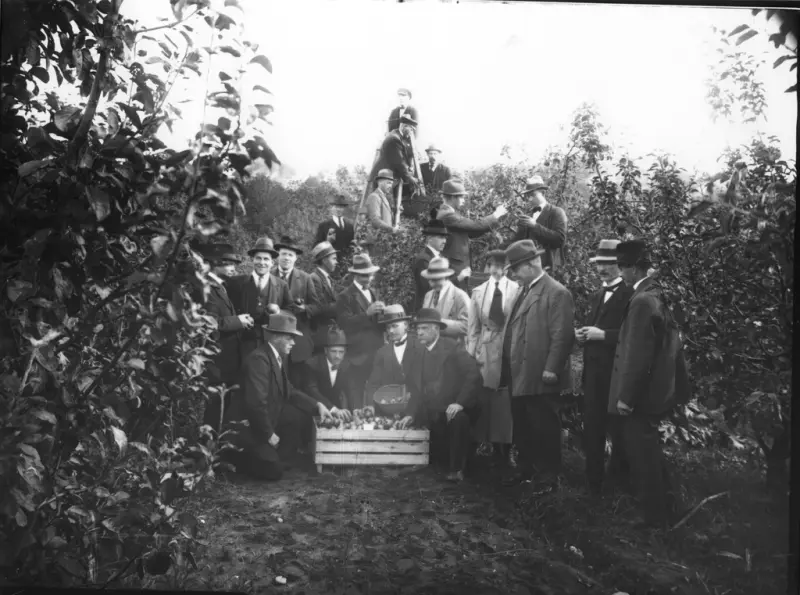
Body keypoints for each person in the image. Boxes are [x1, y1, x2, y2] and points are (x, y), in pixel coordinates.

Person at [609, 239, 691, 528]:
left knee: (643, 457)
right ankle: (669, 510)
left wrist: (625, 397)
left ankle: (654, 520)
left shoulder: (643, 300)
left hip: (643, 395)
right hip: (660, 391)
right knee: (650, 452)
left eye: (622, 267)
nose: (620, 274)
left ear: (633, 268)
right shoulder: (660, 293)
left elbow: (637, 354)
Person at [223, 313, 336, 481]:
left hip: (267, 416)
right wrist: (269, 435)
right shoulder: (258, 360)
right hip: (248, 426)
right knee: (273, 471)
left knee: (299, 416)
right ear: (276, 337)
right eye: (289, 338)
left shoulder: (276, 357)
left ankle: (274, 455)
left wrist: (317, 405)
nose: (293, 343)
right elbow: (256, 404)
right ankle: (234, 456)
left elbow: (289, 390)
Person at [499, 240, 574, 486]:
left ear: (531, 265)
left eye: (516, 268)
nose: (513, 274)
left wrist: (551, 368)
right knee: (523, 424)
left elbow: (562, 335)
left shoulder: (557, 293)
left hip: (540, 373)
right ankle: (526, 468)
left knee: (544, 425)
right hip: (519, 371)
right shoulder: (524, 290)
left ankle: (549, 475)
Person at [575, 239, 633, 496]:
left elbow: (633, 336)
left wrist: (604, 336)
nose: (603, 269)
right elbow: (594, 327)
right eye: (599, 264)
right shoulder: (597, 294)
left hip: (616, 374)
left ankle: (619, 485)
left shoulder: (631, 295)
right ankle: (593, 485)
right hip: (594, 375)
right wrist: (582, 335)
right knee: (593, 429)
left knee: (619, 432)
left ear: (621, 266)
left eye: (609, 264)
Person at [398, 308, 481, 483]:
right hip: (429, 411)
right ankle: (420, 460)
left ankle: (456, 469)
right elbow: (414, 388)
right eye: (418, 329)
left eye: (425, 328)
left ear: (436, 329)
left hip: (449, 408)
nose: (419, 333)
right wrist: (410, 414)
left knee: (459, 419)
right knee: (408, 420)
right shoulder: (416, 352)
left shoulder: (452, 347)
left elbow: (473, 374)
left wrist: (460, 403)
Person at [190, 242, 252, 433]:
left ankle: (213, 450)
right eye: (228, 263)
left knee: (222, 410)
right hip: (217, 362)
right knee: (214, 410)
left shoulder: (221, 287)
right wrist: (238, 321)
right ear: (215, 264)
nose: (233, 267)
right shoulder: (208, 289)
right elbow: (209, 323)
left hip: (226, 361)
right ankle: (206, 452)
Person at [466, 249, 518, 468]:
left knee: (505, 400)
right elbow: (473, 328)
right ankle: (486, 445)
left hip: (508, 350)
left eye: (500, 265)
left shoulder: (517, 290)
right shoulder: (478, 292)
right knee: (486, 396)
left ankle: (507, 449)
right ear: (487, 267)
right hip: (485, 351)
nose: (495, 270)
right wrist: (471, 356)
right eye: (491, 265)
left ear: (507, 268)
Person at [227, 237, 293, 358]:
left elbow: (290, 311)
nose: (262, 262)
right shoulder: (236, 283)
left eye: (266, 259)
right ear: (252, 260)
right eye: (258, 258)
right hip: (242, 344)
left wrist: (279, 311)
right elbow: (227, 310)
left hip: (270, 343)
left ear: (272, 262)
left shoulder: (281, 285)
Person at [436, 179, 508, 289]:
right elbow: (475, 226)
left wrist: (492, 221)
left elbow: (472, 232)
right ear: (452, 197)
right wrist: (496, 215)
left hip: (457, 264)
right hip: (455, 267)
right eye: (461, 197)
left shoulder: (450, 213)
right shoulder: (447, 215)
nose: (464, 200)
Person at [335, 253, 386, 409]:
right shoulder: (345, 296)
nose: (369, 278)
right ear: (355, 275)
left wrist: (385, 316)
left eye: (370, 274)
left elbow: (377, 324)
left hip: (376, 352)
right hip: (357, 356)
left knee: (376, 394)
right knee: (355, 396)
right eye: (365, 275)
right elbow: (344, 324)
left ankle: (373, 427)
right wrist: (367, 314)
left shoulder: (373, 292)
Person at [273, 236, 320, 383]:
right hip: (274, 338)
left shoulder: (305, 278)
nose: (286, 258)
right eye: (283, 254)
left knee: (298, 382)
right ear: (277, 256)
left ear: (296, 259)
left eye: (290, 255)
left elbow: (317, 306)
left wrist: (304, 308)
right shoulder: (269, 275)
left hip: (298, 339)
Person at [365, 305, 424, 403]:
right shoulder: (381, 353)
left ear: (405, 325)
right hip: (389, 409)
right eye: (388, 327)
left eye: (395, 326)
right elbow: (373, 384)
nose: (391, 331)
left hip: (419, 408)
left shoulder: (420, 347)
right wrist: (370, 406)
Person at [512, 176, 567, 272]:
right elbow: (518, 243)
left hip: (548, 270)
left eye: (533, 195)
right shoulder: (528, 216)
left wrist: (535, 226)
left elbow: (560, 239)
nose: (529, 199)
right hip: (527, 270)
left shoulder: (557, 212)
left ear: (543, 193)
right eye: (528, 196)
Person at [303, 327, 358, 414]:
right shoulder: (312, 364)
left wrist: (355, 409)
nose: (337, 356)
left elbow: (351, 389)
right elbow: (312, 391)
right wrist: (332, 408)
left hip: (337, 411)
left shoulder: (346, 365)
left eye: (341, 352)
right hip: (315, 411)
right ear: (326, 350)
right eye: (334, 351)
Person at [368, 115, 421, 199]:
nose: (411, 133)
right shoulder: (394, 139)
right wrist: (410, 177)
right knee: (379, 204)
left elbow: (403, 156)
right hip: (382, 178)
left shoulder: (398, 136)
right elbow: (399, 162)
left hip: (386, 177)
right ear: (404, 126)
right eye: (411, 129)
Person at [421, 256, 471, 343]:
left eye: (436, 280)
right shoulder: (428, 296)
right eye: (430, 280)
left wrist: (439, 324)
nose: (432, 284)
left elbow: (467, 326)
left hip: (453, 350)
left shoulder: (460, 297)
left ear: (446, 277)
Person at [412, 218, 449, 312]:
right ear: (429, 239)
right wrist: (458, 279)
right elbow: (429, 288)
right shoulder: (423, 259)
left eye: (445, 237)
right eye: (440, 237)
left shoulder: (440, 256)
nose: (444, 241)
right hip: (426, 310)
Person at [364, 168, 402, 256]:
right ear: (380, 182)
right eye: (388, 183)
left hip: (384, 241)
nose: (390, 186)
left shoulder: (383, 196)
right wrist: (391, 229)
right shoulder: (374, 196)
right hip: (376, 241)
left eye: (391, 183)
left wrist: (397, 211)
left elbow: (386, 217)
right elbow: (375, 220)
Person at [308, 241, 340, 342]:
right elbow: (320, 307)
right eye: (334, 259)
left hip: (329, 332)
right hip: (319, 333)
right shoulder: (314, 278)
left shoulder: (328, 278)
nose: (336, 262)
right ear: (325, 260)